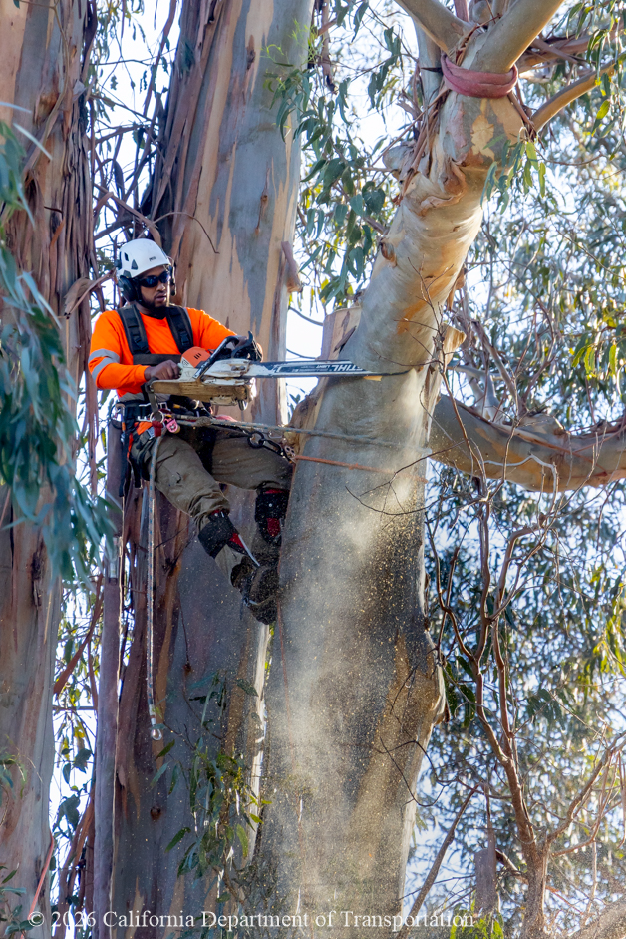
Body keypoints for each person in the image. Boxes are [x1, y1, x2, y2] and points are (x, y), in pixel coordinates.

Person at [89, 237, 292, 623]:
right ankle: (249, 583)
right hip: (154, 435)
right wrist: (147, 373)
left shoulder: (189, 320)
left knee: (276, 468)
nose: (161, 285)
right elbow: (100, 372)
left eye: (164, 275)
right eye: (150, 280)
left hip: (200, 425)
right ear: (131, 287)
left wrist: (240, 350)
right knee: (204, 498)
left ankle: (269, 562)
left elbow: (226, 341)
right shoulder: (113, 324)